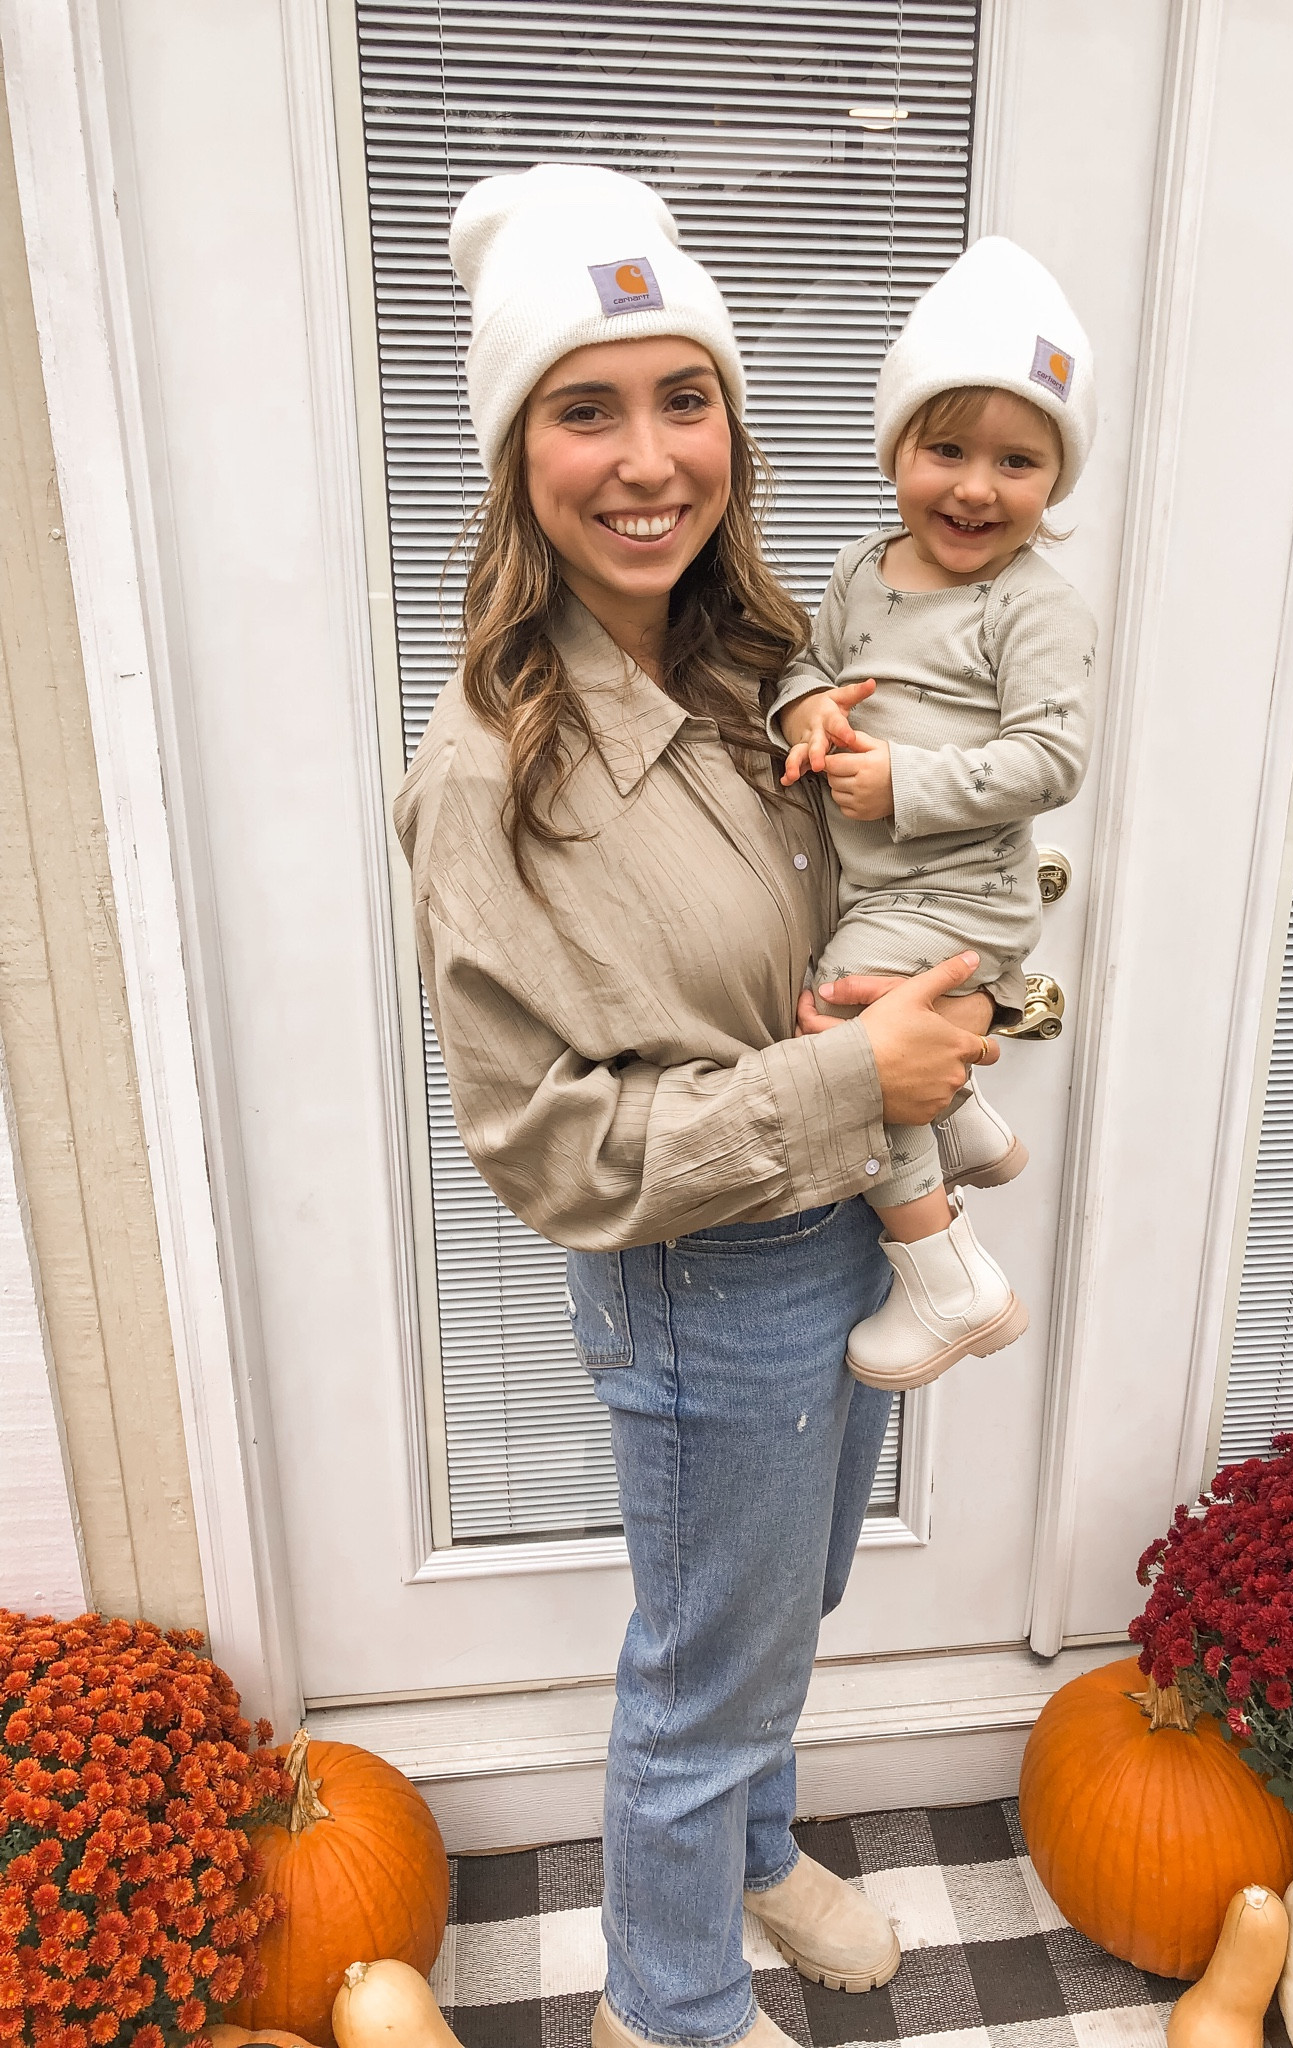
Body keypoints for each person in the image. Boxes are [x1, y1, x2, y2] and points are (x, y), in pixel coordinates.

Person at [394, 162, 1004, 2048]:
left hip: (851, 1230)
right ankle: (663, 2005)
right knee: (699, 1666)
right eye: (586, 407)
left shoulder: (759, 667)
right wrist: (853, 1075)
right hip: (706, 1274)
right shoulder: (496, 774)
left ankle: (748, 1844)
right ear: (516, 450)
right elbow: (550, 1148)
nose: (648, 457)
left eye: (685, 397)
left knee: (780, 1604)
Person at [766, 238, 1099, 1393]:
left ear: (1054, 478)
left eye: (1016, 460)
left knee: (838, 1032)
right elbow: (804, 660)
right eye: (945, 446)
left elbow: (1051, 756)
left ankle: (951, 1281)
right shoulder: (865, 565)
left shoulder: (1033, 605)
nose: (974, 485)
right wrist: (805, 709)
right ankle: (962, 1126)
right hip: (879, 884)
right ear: (896, 447)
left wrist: (905, 783)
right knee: (862, 1021)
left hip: (957, 891)